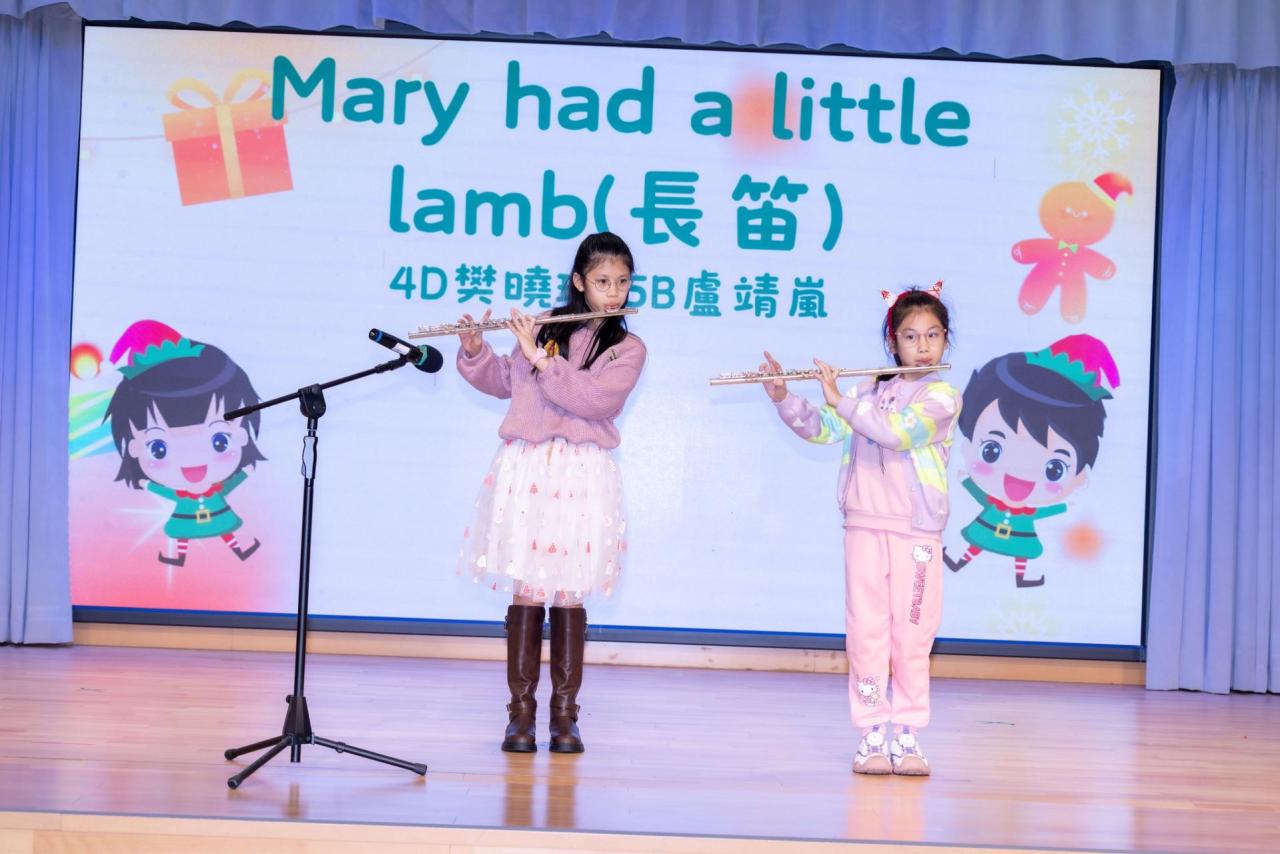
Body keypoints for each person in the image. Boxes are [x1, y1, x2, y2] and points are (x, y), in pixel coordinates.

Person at [455, 232, 646, 754]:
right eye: (603, 281)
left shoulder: (628, 349)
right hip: (530, 467)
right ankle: (520, 715)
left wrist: (540, 359)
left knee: (568, 590)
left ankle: (565, 717)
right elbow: (505, 380)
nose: (614, 292)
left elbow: (594, 401)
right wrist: (475, 352)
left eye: (623, 282)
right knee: (529, 589)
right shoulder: (545, 326)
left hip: (581, 472)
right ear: (579, 282)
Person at [763, 283, 960, 776]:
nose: (922, 346)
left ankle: (908, 734)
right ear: (893, 341)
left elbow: (897, 432)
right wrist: (786, 398)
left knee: (913, 635)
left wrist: (842, 402)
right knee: (866, 632)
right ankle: (872, 731)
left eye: (933, 335)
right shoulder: (865, 390)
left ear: (945, 339)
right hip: (864, 526)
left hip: (916, 533)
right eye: (910, 336)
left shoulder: (942, 397)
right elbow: (824, 428)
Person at [105, 319, 265, 567]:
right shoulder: (184, 494)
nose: (192, 461)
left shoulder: (214, 490)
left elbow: (232, 483)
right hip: (187, 520)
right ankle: (179, 557)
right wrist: (147, 484)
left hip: (218, 516)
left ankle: (238, 551)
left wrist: (245, 472)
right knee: (184, 535)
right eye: (158, 449)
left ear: (241, 434)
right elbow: (164, 491)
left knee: (225, 532)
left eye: (219, 442)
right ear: (135, 448)